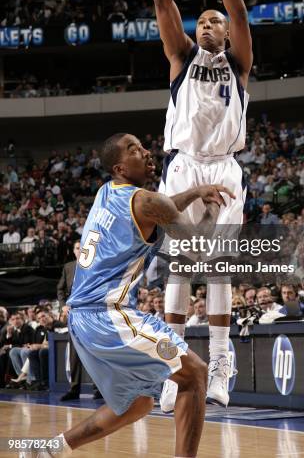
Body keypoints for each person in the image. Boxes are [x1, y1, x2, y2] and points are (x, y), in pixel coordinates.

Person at [21, 133, 234, 458]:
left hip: (81, 320)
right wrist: (213, 209)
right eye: (134, 149)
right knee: (195, 374)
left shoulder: (106, 192)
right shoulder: (147, 201)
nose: (146, 152)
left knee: (137, 404)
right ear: (120, 167)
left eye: (143, 146)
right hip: (108, 316)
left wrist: (193, 192)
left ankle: (53, 448)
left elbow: (160, 208)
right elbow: (197, 245)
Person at [152, 0, 252, 410]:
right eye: (203, 21)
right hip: (185, 165)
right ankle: (174, 371)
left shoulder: (238, 64)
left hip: (226, 169)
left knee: (217, 270)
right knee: (179, 268)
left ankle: (218, 368)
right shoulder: (182, 58)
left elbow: (237, 9)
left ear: (227, 33)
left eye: (216, 21)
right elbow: (163, 2)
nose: (209, 24)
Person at [57, 240, 102, 401]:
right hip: (74, 315)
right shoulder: (68, 267)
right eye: (77, 248)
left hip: (91, 314)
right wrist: (63, 306)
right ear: (74, 251)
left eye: (83, 247)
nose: (80, 250)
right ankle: (74, 389)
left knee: (93, 352)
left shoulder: (96, 266)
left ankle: (99, 389)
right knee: (75, 355)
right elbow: (60, 289)